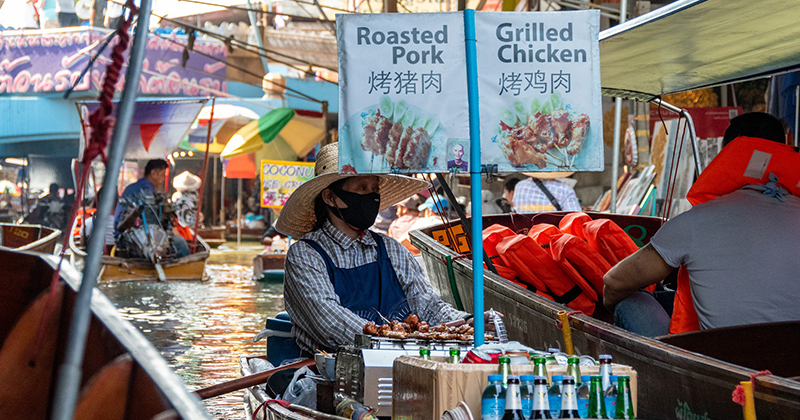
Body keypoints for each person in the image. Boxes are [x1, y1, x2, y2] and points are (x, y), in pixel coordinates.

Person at [603, 112, 800, 337]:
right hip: (793, 361)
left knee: (631, 302)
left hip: (722, 364)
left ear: (724, 156)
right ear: (786, 152)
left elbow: (615, 282)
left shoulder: (697, 220)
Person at [277, 143, 476, 354]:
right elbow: (329, 322)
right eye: (362, 188)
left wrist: (467, 322)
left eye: (375, 189)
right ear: (330, 197)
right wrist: (388, 336)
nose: (371, 197)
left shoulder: (390, 249)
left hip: (402, 360)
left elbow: (427, 306)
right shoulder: (305, 255)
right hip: (334, 373)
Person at [512, 172, 580, 213]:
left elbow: (515, 209)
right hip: (553, 235)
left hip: (526, 235)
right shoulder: (565, 190)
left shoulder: (519, 187)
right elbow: (575, 218)